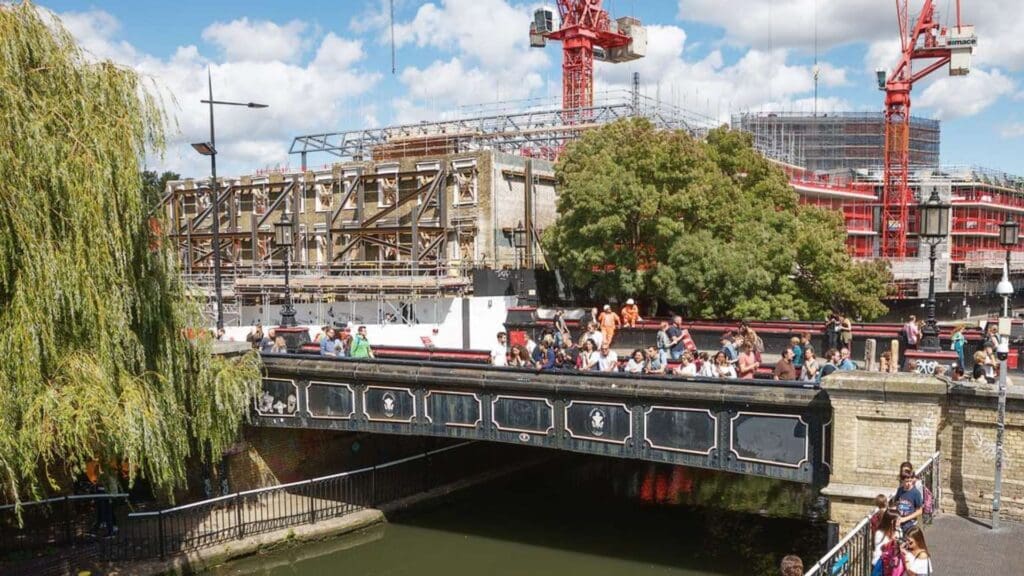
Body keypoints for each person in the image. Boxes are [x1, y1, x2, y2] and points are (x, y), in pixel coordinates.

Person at [872, 509, 899, 575]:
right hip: (880, 565)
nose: (900, 521)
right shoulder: (880, 533)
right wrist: (892, 541)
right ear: (892, 522)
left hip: (891, 565)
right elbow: (881, 548)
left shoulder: (898, 531)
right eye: (898, 520)